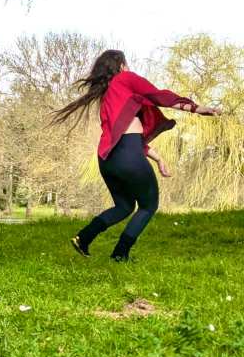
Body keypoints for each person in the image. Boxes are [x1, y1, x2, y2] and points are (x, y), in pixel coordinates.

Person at [54, 50, 220, 261]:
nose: (129, 67)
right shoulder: (125, 79)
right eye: (127, 63)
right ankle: (120, 254)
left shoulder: (108, 97)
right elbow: (160, 96)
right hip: (128, 155)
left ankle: (83, 238)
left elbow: (126, 138)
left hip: (107, 160)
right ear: (121, 65)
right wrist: (195, 108)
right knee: (148, 206)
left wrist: (158, 159)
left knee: (124, 206)